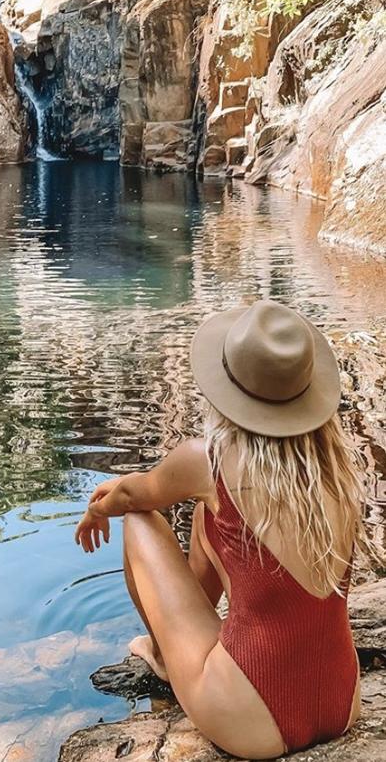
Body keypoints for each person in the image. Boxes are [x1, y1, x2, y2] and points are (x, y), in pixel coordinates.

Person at [75, 299, 370, 759]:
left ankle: (162, 653)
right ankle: (191, 645)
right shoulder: (334, 468)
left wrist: (99, 508)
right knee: (208, 513)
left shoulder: (209, 461)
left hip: (251, 719)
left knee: (139, 520)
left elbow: (135, 497)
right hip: (340, 700)